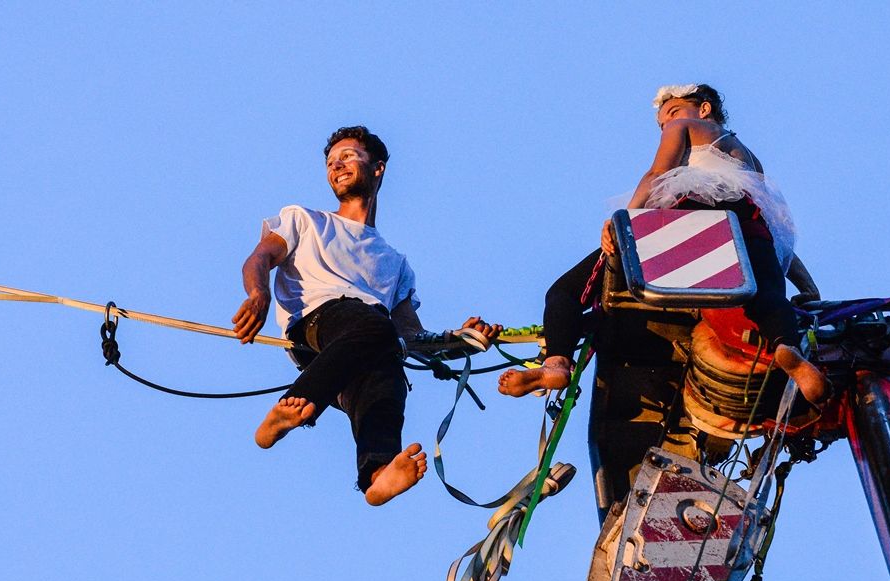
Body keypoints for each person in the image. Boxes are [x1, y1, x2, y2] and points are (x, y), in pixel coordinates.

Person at [498, 84, 827, 406]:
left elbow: (657, 174)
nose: (666, 125)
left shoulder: (687, 127)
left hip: (689, 216)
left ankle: (557, 364)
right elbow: (773, 230)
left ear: (704, 108)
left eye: (671, 113)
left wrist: (624, 221)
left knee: (566, 292)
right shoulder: (750, 160)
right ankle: (789, 350)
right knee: (767, 295)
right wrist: (807, 285)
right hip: (745, 226)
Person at [233, 125, 501, 506]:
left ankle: (376, 472)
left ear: (378, 168)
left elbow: (414, 338)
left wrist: (460, 341)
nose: (336, 166)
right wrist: (258, 293)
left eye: (347, 156)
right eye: (330, 162)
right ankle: (291, 407)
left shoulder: (396, 263)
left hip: (362, 345)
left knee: (390, 372)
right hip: (318, 323)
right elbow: (260, 257)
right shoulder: (305, 219)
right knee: (375, 327)